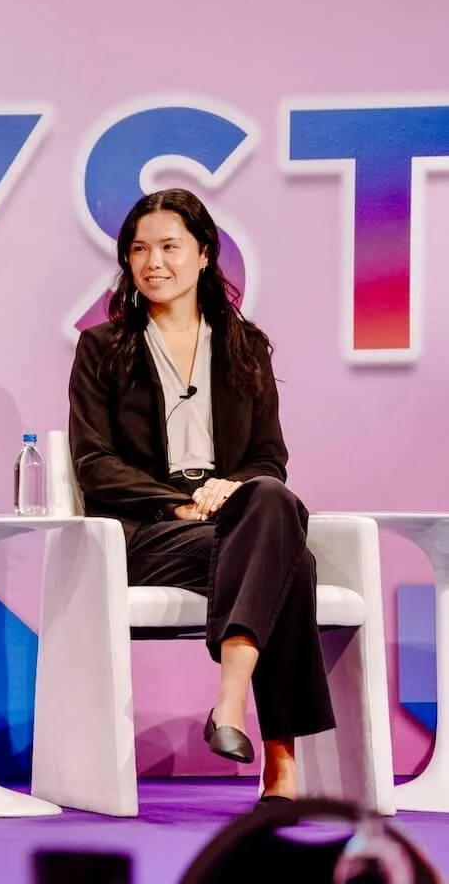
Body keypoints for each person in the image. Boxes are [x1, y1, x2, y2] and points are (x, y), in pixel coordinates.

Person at [67, 188, 334, 807]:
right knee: (292, 559)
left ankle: (230, 701)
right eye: (139, 249)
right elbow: (94, 465)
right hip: (149, 534)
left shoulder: (245, 346)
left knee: (266, 497)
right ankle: (276, 759)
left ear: (205, 255)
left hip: (232, 518)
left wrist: (228, 489)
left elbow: (271, 458)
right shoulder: (103, 348)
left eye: (169, 247)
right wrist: (177, 503)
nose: (152, 262)